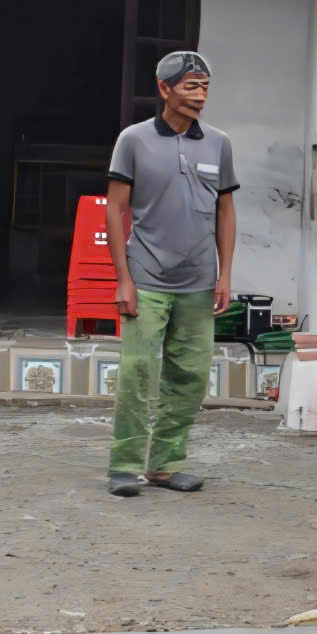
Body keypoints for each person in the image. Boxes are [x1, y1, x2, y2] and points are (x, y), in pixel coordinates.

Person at [105, 51, 237, 497]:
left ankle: (164, 464)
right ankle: (124, 465)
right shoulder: (134, 140)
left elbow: (225, 210)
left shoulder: (218, 143)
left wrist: (224, 274)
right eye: (190, 86)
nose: (199, 95)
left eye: (204, 87)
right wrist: (123, 278)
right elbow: (116, 208)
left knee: (190, 376)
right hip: (146, 276)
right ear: (164, 89)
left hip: (198, 282)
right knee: (139, 372)